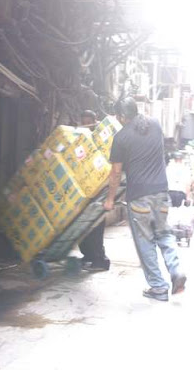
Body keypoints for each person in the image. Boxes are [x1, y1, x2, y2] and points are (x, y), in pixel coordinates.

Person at [103, 97, 186, 301]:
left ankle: (158, 287)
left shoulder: (121, 138)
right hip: (161, 192)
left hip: (139, 196)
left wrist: (109, 199)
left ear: (122, 117)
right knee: (164, 234)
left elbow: (115, 172)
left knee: (145, 241)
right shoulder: (156, 125)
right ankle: (176, 271)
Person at [78, 110, 110, 271]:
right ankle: (88, 256)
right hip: (84, 191)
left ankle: (100, 259)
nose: (86, 125)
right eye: (83, 122)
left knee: (96, 227)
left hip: (99, 191)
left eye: (88, 122)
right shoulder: (80, 141)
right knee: (82, 227)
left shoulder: (99, 141)